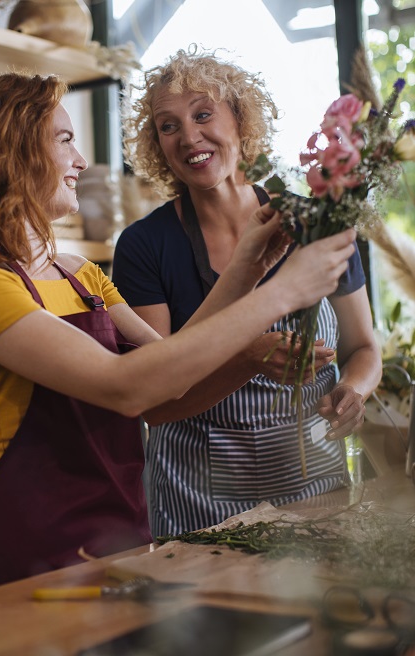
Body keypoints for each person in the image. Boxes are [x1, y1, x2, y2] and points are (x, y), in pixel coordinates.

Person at [0, 71, 356, 594]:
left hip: (123, 541)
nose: (80, 161)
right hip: (38, 560)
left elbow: (171, 379)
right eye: (65, 140)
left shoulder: (80, 274)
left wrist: (248, 267)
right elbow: (125, 386)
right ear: (9, 154)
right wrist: (278, 297)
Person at [113, 46, 382, 537]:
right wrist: (248, 359)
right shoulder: (143, 246)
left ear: (240, 119)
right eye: (167, 125)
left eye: (202, 115)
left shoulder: (315, 218)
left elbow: (363, 346)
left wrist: (353, 390)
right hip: (196, 496)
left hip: (314, 479)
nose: (188, 136)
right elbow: (156, 401)